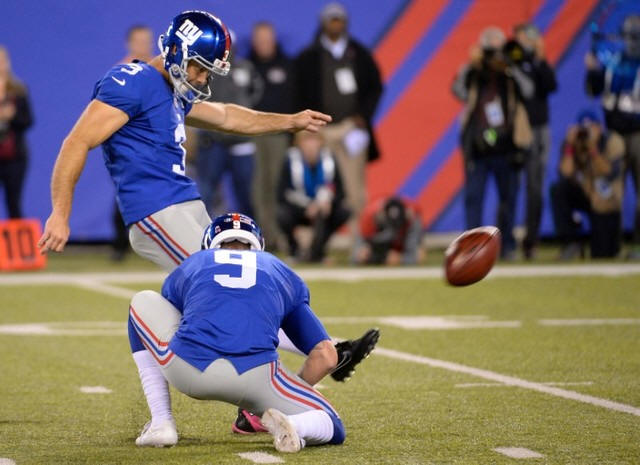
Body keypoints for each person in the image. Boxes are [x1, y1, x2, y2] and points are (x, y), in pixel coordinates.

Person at [37, 10, 377, 446]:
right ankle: (322, 349)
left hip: (187, 207)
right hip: (156, 212)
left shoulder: (173, 88)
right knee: (232, 287)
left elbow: (229, 117)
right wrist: (60, 212)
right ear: (175, 51)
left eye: (207, 70)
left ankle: (307, 360)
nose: (201, 77)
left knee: (243, 280)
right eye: (198, 66)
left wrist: (288, 121)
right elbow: (77, 141)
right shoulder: (132, 81)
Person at [128, 213, 347, 452]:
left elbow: (173, 315)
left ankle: (161, 423)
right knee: (331, 422)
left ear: (209, 244)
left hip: (189, 370)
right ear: (258, 245)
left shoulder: (196, 262)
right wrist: (290, 393)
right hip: (258, 378)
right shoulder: (279, 270)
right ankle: (294, 424)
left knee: (142, 302)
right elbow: (326, 355)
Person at [294, 2, 383, 259]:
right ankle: (314, 247)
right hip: (319, 130)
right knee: (313, 187)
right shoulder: (309, 56)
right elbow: (297, 91)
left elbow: (376, 86)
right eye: (331, 20)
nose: (335, 25)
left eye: (339, 20)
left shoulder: (359, 53)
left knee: (355, 190)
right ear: (323, 23)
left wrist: (363, 116)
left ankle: (357, 244)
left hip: (349, 130)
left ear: (345, 23)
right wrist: (304, 126)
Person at [452, 26, 534, 260]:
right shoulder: (475, 73)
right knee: (473, 199)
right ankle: (472, 247)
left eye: (500, 50)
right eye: (491, 51)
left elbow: (529, 91)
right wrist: (472, 65)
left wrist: (511, 66)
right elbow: (458, 91)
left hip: (507, 146)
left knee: (508, 199)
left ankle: (507, 245)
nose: (495, 56)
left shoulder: (510, 73)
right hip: (478, 147)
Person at [586, 14, 640, 260]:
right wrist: (592, 70)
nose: (632, 42)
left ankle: (638, 245)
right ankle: (612, 246)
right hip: (615, 135)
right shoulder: (613, 62)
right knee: (612, 192)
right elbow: (593, 90)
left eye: (635, 37)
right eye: (629, 36)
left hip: (638, 133)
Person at [194, 38, 263, 218]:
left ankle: (249, 232)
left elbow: (257, 92)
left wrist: (246, 110)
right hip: (213, 139)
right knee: (205, 191)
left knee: (246, 193)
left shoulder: (245, 68)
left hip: (241, 140)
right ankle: (201, 231)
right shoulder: (204, 69)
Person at [550, 111, 625, 259]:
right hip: (585, 193)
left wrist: (593, 149)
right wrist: (570, 147)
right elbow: (565, 173)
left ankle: (610, 245)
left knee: (602, 255)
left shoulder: (612, 141)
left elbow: (608, 173)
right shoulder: (573, 142)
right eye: (584, 129)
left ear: (600, 127)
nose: (587, 132)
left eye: (591, 127)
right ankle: (571, 242)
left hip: (606, 200)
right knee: (558, 190)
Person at [511, 23, 558, 259]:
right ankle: (504, 242)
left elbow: (551, 85)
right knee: (509, 188)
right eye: (522, 38)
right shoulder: (511, 59)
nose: (525, 43)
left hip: (538, 130)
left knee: (535, 188)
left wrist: (540, 59)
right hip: (514, 132)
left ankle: (531, 242)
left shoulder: (538, 62)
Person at [248, 21, 295, 251]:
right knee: (258, 186)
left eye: (267, 39)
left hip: (279, 134)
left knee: (277, 185)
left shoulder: (287, 66)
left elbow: (296, 99)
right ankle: (262, 236)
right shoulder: (246, 67)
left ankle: (278, 236)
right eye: (260, 39)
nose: (263, 44)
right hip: (253, 134)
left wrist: (294, 133)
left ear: (274, 40)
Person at [112, 25, 155, 261]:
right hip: (130, 144)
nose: (143, 45)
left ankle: (153, 246)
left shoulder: (158, 70)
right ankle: (120, 245)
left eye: (146, 40)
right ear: (129, 43)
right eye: (138, 40)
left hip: (155, 144)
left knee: (157, 195)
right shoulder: (120, 72)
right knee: (125, 194)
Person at [277, 130, 350, 262]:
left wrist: (327, 202)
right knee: (281, 214)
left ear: (321, 142)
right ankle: (295, 250)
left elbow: (340, 191)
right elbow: (283, 193)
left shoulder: (329, 159)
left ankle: (317, 252)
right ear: (299, 143)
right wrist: (306, 206)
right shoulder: (290, 159)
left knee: (344, 212)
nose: (311, 145)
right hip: (299, 208)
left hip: (323, 208)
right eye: (306, 140)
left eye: (314, 140)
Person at [0, 45, 33, 219]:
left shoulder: (19, 90)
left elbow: (28, 120)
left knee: (13, 203)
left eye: (2, 61)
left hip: (15, 158)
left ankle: (16, 236)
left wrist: (11, 116)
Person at [356, 196, 425, 265]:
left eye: (398, 223)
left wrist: (400, 258)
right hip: (379, 248)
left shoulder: (412, 218)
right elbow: (357, 256)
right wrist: (377, 256)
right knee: (362, 254)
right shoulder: (369, 218)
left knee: (418, 255)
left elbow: (416, 256)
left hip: (400, 249)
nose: (395, 227)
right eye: (390, 224)